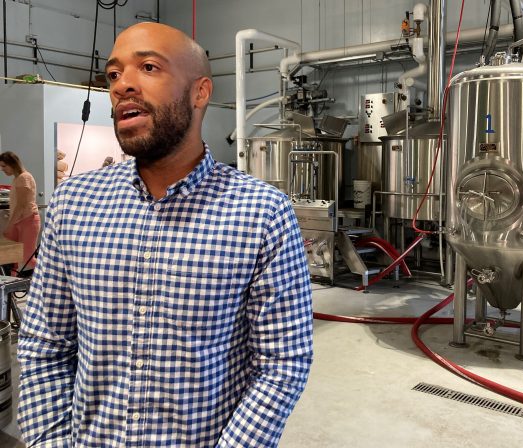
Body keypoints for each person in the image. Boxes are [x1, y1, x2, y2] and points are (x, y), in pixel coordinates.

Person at [18, 22, 313, 448]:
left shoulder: (262, 213)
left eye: (149, 67)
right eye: (113, 75)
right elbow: (45, 345)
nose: (122, 86)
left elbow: (282, 363)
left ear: (201, 92)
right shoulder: (73, 204)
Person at [0, 151, 40, 273]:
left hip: (28, 220)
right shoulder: (18, 178)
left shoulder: (24, 177)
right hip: (20, 221)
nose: (2, 169)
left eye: (4, 166)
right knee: (13, 254)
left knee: (27, 257)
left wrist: (10, 224)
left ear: (13, 164)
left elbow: (21, 205)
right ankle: (13, 284)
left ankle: (52, 275)